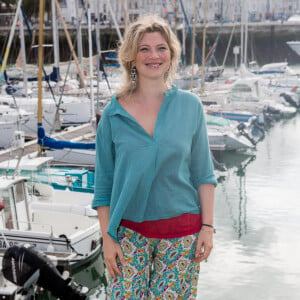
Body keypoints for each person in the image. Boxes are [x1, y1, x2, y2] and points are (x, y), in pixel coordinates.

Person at [92, 14, 217, 299]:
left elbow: (203, 175)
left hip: (182, 234)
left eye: (161, 48)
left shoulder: (190, 106)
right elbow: (103, 188)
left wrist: (208, 228)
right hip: (127, 235)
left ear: (171, 55)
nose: (153, 55)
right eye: (144, 49)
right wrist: (107, 238)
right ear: (131, 58)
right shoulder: (112, 116)